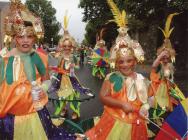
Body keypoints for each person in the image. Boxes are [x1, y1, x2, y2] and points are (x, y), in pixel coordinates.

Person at [0, 1, 78, 139]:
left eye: (29, 36)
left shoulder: (40, 58)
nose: (25, 40)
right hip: (11, 117)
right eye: (20, 36)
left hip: (35, 114)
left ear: (35, 37)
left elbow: (46, 79)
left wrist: (42, 88)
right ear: (14, 38)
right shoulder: (4, 58)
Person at [85, 0, 150, 139]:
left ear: (135, 61)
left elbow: (150, 97)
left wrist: (146, 107)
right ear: (116, 62)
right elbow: (103, 97)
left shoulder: (141, 79)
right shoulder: (111, 78)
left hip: (136, 124)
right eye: (121, 61)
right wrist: (121, 104)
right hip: (114, 122)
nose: (125, 65)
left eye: (129, 61)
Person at [48, 12, 94, 121]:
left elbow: (77, 67)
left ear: (71, 46)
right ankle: (63, 109)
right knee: (62, 96)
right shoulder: (59, 55)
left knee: (73, 97)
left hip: (72, 79)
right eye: (65, 46)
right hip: (61, 80)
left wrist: (73, 65)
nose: (67, 48)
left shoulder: (74, 56)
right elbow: (53, 60)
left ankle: (75, 111)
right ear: (62, 46)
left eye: (69, 46)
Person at [148, 13, 185, 126]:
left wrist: (172, 83)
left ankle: (161, 117)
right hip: (157, 88)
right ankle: (156, 118)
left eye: (166, 58)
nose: (164, 59)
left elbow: (171, 78)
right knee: (157, 104)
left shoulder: (170, 65)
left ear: (169, 58)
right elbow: (153, 67)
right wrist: (159, 57)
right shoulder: (158, 64)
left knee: (165, 105)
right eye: (162, 57)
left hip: (166, 89)